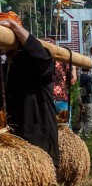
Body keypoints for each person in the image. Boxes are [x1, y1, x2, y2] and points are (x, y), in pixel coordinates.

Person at [0, 15, 60, 167]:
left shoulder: (35, 62)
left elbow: (42, 58)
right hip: (14, 144)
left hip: (38, 143)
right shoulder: (5, 68)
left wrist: (13, 26)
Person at [79, 68, 92, 140]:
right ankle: (86, 135)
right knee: (88, 119)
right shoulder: (89, 77)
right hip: (87, 100)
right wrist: (91, 92)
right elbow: (89, 89)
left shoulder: (79, 77)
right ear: (88, 70)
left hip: (80, 100)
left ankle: (79, 133)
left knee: (82, 119)